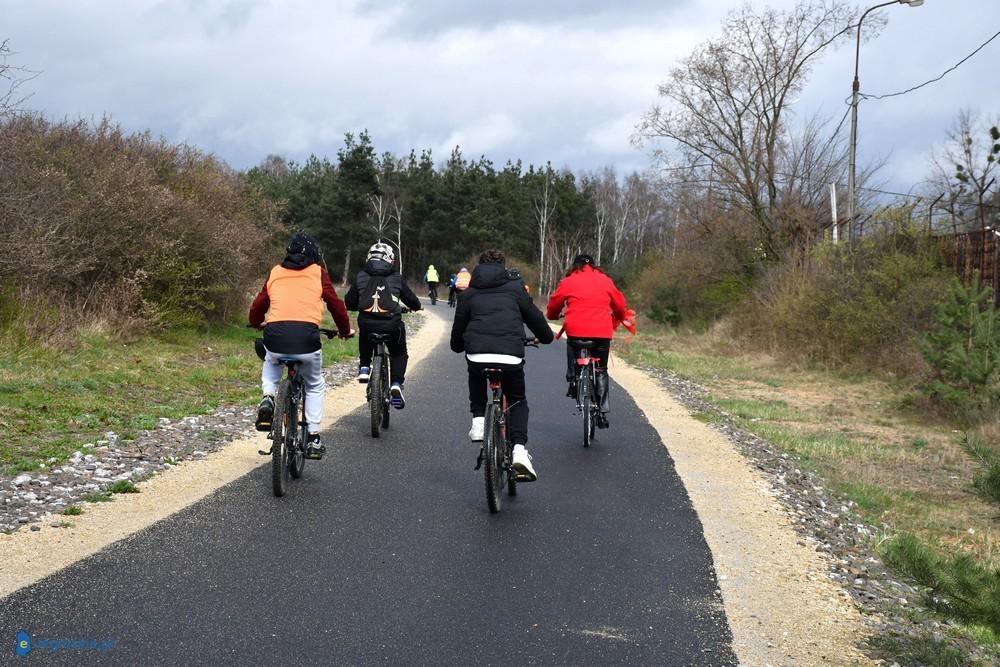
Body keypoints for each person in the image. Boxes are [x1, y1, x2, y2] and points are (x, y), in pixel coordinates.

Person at [450, 249, 554, 481]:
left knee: (474, 370)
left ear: (479, 268)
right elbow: (535, 318)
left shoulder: (468, 294)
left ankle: (478, 421)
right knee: (517, 400)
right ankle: (518, 450)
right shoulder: (516, 290)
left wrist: (459, 346)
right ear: (504, 268)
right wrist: (546, 337)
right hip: (510, 356)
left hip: (478, 355)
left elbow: (457, 333)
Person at [249, 233, 354, 460]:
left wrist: (256, 322)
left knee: (271, 361)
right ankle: (314, 437)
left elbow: (259, 303)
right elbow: (336, 305)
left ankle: (268, 396)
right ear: (314, 254)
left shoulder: (276, 272)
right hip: (307, 339)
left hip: (275, 335)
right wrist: (345, 331)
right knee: (314, 384)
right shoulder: (318, 273)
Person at [545, 254, 628, 429]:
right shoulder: (605, 280)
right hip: (602, 333)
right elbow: (620, 305)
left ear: (575, 265)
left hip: (576, 331)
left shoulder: (569, 281)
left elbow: (554, 304)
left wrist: (552, 316)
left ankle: (573, 379)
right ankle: (603, 411)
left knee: (572, 345)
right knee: (601, 369)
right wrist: (619, 317)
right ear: (594, 266)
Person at [344, 242, 422, 408]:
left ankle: (364, 367)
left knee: (365, 332)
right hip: (392, 325)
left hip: (367, 324)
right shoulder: (396, 277)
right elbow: (412, 300)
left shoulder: (361, 275)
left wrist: (355, 305)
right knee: (399, 352)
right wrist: (416, 307)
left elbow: (349, 302)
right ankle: (395, 383)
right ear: (391, 259)